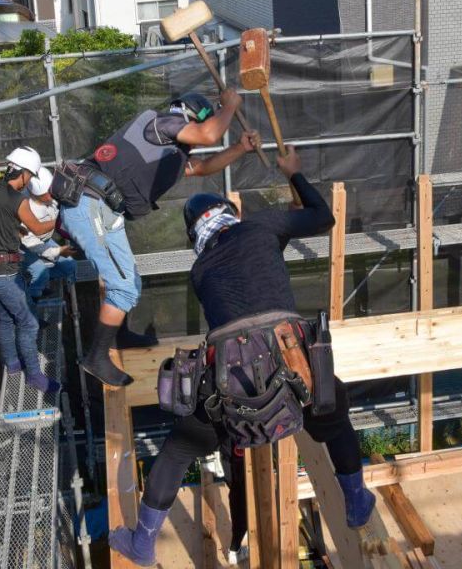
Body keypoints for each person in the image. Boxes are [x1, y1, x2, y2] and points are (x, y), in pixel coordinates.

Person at [108, 147, 376, 566]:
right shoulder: (260, 228)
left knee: (179, 451)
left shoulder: (201, 270)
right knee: (334, 411)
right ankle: (356, 502)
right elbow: (323, 218)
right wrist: (294, 175)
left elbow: (244, 282)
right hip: (296, 367)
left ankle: (142, 543)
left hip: (232, 385)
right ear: (226, 213)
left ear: (194, 233)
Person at [60, 89, 260, 387]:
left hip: (104, 210)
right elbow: (208, 134)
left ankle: (120, 336)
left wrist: (240, 149)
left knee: (130, 283)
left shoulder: (171, 152)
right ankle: (96, 358)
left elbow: (203, 167)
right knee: (123, 286)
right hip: (90, 203)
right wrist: (229, 107)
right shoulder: (161, 123)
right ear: (190, 115)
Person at [0, 147, 60, 394]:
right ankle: (34, 376)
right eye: (30, 177)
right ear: (22, 174)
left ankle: (12, 364)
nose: (29, 182)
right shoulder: (17, 200)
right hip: (7, 273)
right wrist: (60, 219)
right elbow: (39, 228)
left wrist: (6, 229)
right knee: (29, 323)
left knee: (4, 317)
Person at [20, 167, 78, 300]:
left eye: (51, 191)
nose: (50, 196)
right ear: (33, 193)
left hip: (44, 240)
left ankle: (33, 281)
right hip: (23, 248)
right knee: (41, 271)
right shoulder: (23, 208)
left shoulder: (53, 197)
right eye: (45, 194)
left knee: (70, 266)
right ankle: (32, 296)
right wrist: (58, 251)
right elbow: (33, 245)